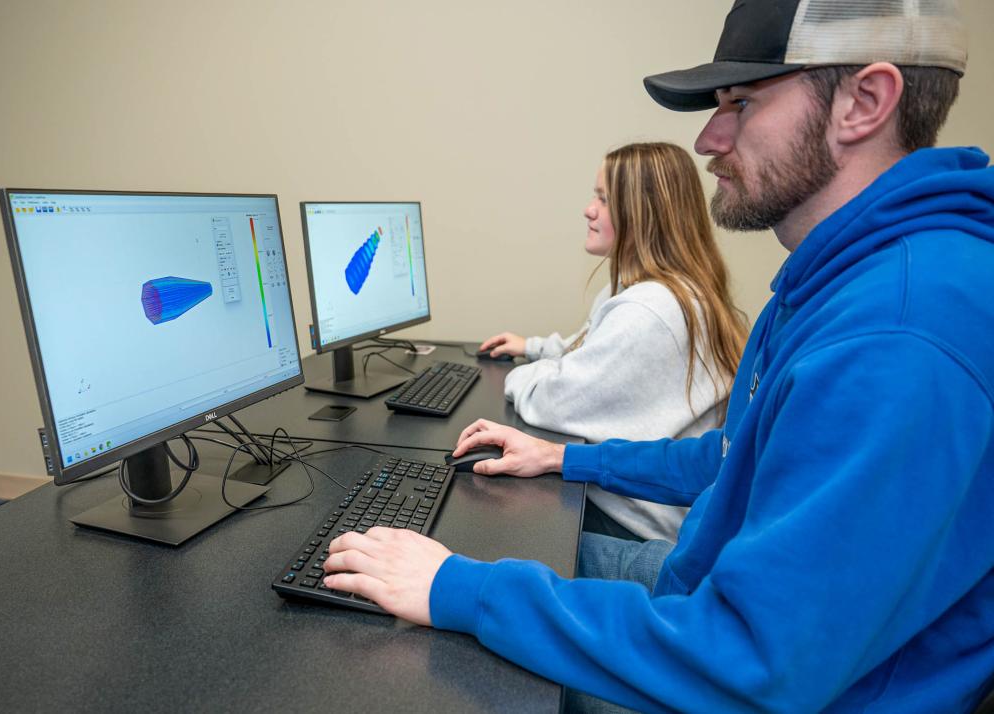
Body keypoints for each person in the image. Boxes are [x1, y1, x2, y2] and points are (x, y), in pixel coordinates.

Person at [320, 1, 994, 710]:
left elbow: (746, 667)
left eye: (741, 102)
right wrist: (562, 459)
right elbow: (734, 458)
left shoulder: (897, 336)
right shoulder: (835, 282)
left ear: (865, 102)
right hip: (711, 596)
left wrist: (459, 587)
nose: (708, 137)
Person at [479, 142, 748, 543]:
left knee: (491, 520)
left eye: (603, 199)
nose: (589, 209)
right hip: (629, 498)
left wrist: (520, 375)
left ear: (643, 214)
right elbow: (587, 346)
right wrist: (535, 347)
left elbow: (551, 399)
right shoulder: (650, 286)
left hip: (636, 525)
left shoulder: (651, 310)